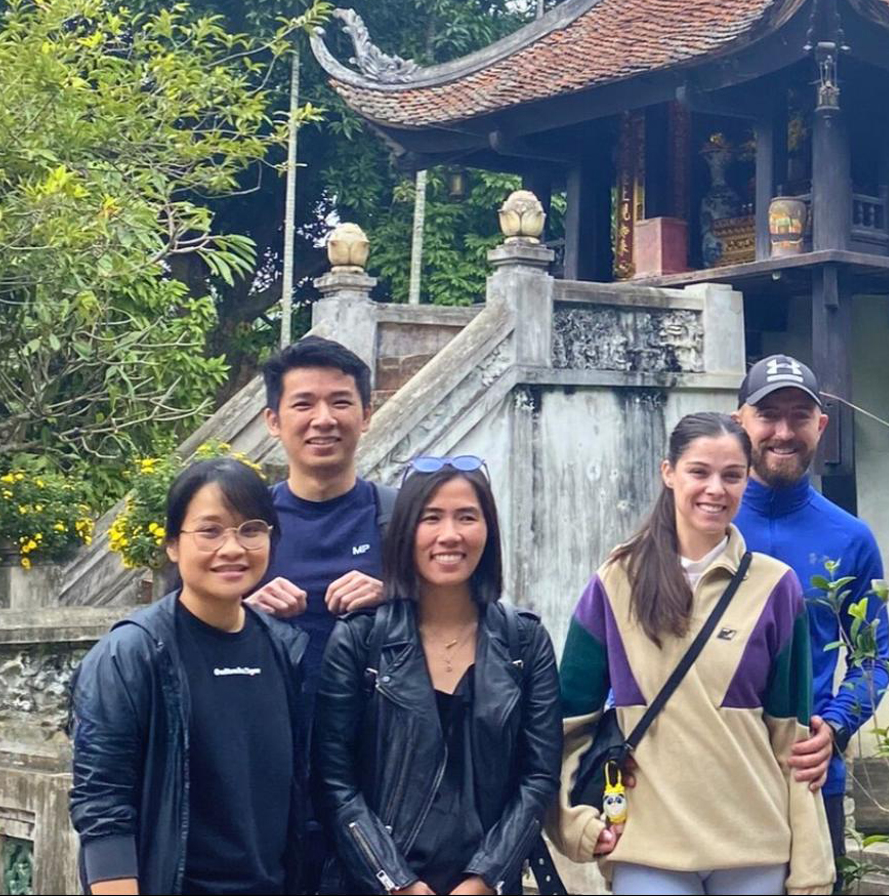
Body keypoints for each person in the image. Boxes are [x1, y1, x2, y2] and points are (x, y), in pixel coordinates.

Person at [550, 412, 834, 896]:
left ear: (748, 479)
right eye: (698, 472)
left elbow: (792, 739)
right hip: (649, 848)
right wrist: (573, 825)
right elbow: (564, 724)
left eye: (732, 475)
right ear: (668, 473)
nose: (715, 489)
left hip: (755, 845)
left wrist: (811, 868)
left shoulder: (776, 587)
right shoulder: (616, 583)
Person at [312, 458, 562, 895]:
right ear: (406, 530)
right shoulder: (361, 639)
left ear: (488, 530)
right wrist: (396, 881)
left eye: (467, 516)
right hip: (378, 883)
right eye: (432, 517)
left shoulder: (524, 642)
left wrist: (485, 877)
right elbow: (334, 780)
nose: (450, 535)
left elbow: (538, 776)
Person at [70, 458, 307, 894]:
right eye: (211, 531)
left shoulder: (286, 648)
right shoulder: (129, 655)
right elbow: (102, 805)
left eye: (251, 529)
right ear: (173, 544)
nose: (233, 548)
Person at [731, 354, 889, 877]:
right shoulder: (699, 528)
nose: (783, 432)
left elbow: (874, 660)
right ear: (740, 421)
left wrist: (836, 728)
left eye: (799, 416)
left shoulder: (850, 538)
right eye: (768, 415)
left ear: (820, 425)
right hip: (708, 776)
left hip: (809, 777)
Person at [248, 336, 393, 692]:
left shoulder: (402, 518)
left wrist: (396, 597)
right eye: (303, 404)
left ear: (366, 416)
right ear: (273, 420)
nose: (323, 419)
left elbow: (461, 620)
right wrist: (244, 611)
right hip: (270, 731)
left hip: (379, 736)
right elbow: (186, 622)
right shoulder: (245, 526)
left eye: (340, 402)